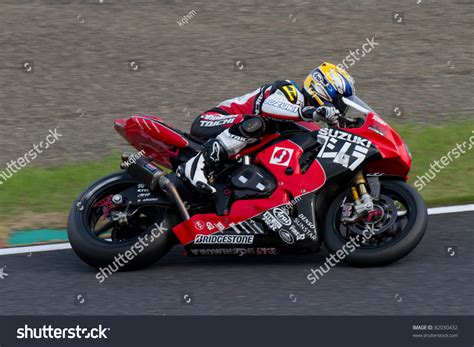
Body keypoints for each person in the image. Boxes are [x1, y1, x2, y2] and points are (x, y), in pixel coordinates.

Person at [182, 62, 355, 193]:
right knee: (259, 124)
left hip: (237, 150)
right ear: (324, 88)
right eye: (340, 100)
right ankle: (199, 163)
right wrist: (311, 112)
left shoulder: (306, 122)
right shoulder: (289, 90)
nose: (340, 107)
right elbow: (269, 107)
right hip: (212, 121)